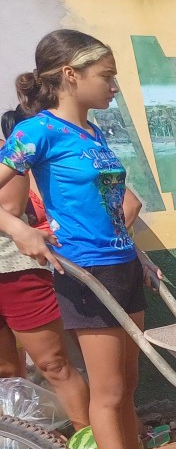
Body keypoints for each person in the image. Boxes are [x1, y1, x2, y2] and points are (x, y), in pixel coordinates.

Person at [0, 29, 176, 449]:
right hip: (86, 273)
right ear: (71, 75)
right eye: (106, 76)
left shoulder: (93, 134)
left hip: (123, 266)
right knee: (105, 391)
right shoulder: (35, 132)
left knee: (126, 385)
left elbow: (112, 208)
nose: (114, 86)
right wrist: (21, 229)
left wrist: (139, 255)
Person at [0, 109, 90, 428]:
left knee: (54, 365)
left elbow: (9, 209)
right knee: (6, 374)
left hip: (14, 271)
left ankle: (93, 445)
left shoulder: (7, 155)